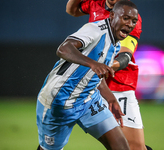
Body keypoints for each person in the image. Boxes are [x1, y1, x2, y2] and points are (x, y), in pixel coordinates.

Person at [36, 1, 138, 150]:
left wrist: (110, 98)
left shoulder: (115, 43)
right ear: (112, 15)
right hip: (59, 102)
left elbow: (94, 75)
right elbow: (63, 48)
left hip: (88, 100)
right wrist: (93, 63)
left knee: (121, 147)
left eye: (133, 21)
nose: (129, 24)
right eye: (126, 18)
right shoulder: (95, 29)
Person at [66, 0, 152, 150]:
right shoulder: (95, 4)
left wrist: (102, 65)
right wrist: (93, 66)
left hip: (117, 85)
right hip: (88, 85)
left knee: (133, 147)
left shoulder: (131, 17)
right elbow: (71, 10)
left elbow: (124, 56)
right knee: (52, 136)